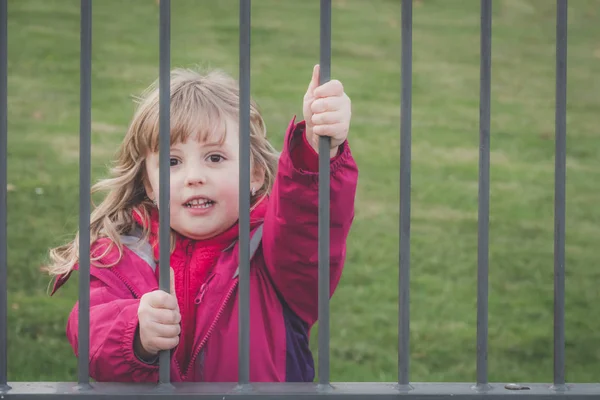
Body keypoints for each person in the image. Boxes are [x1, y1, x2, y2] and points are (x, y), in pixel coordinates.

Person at [46, 64, 358, 383]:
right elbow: (87, 330)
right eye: (172, 162)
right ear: (149, 184)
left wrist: (316, 153)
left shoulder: (275, 255)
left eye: (215, 158)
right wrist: (136, 332)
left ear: (255, 174)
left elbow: (308, 226)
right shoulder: (121, 253)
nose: (194, 177)